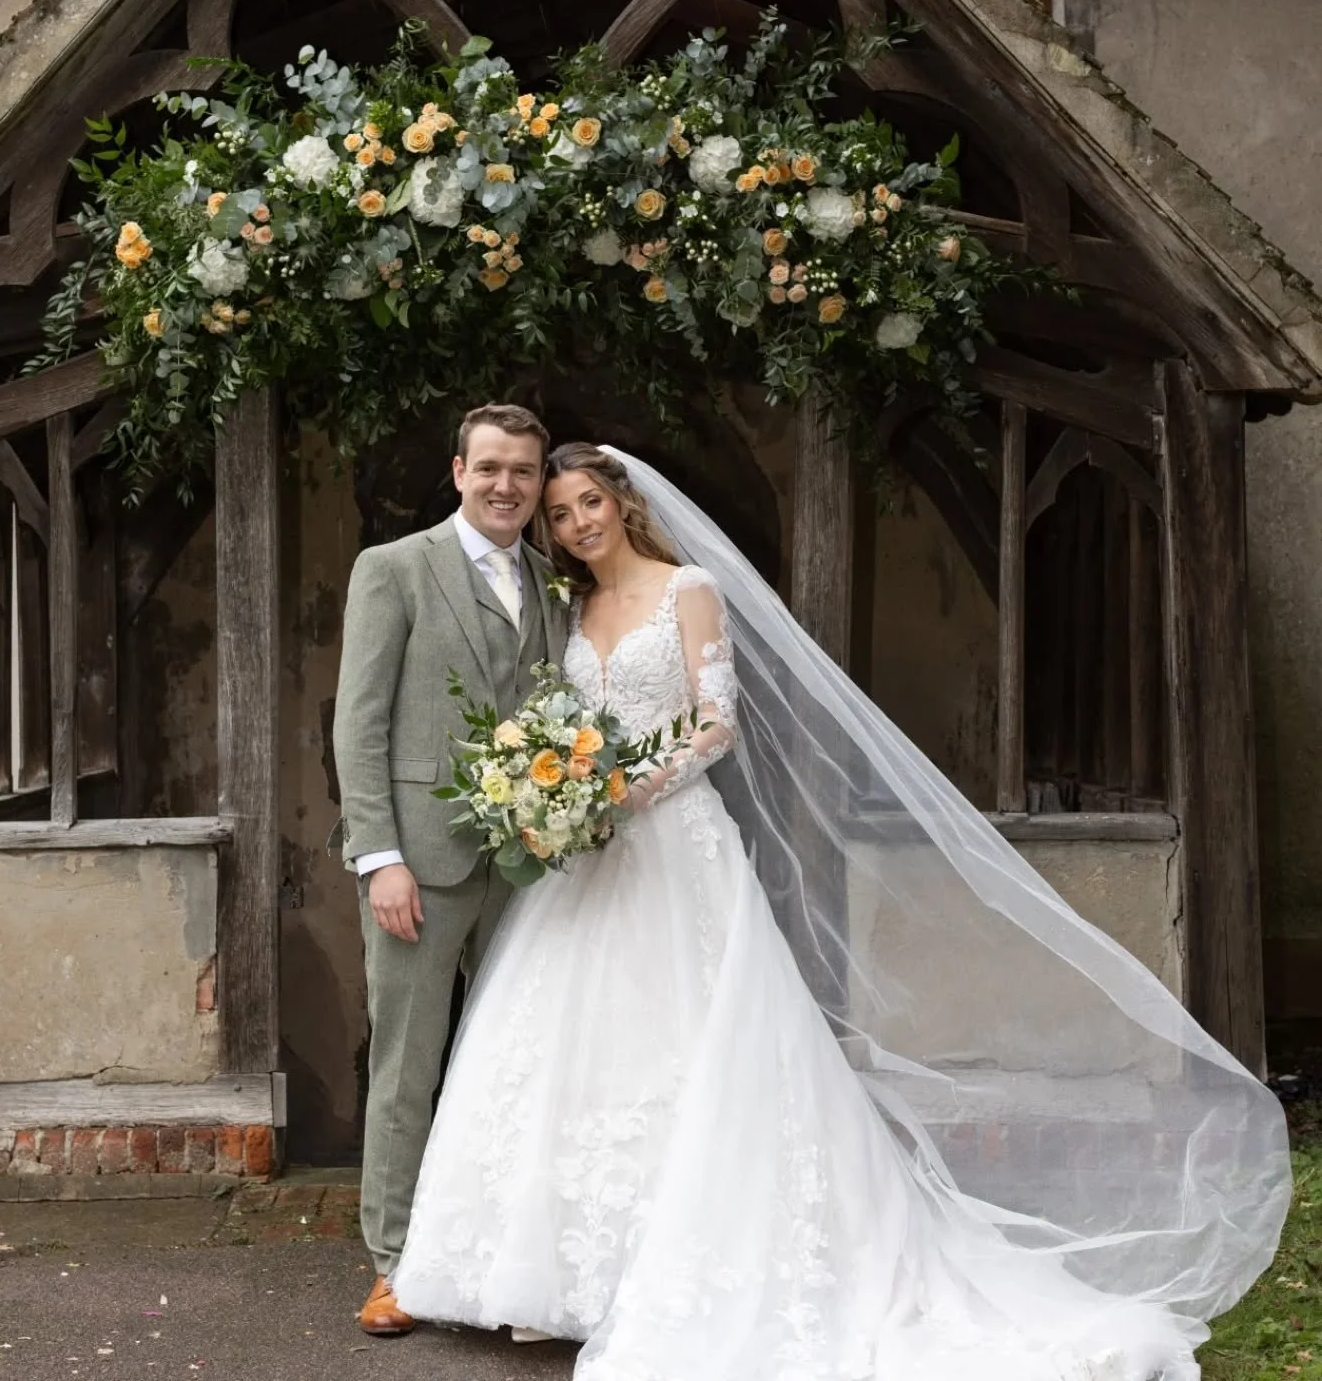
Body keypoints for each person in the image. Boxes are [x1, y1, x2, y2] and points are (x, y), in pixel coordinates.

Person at [388, 441, 1290, 1380]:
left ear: (620, 500)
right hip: (592, 861)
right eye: (560, 516)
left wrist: (630, 788)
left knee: (693, 1041)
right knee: (571, 1046)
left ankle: (674, 1264)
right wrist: (567, 798)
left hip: (674, 846)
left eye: (587, 504)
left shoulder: (686, 586)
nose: (576, 525)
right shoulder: (568, 607)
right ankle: (559, 1277)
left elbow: (715, 720)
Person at [332, 404, 570, 1336]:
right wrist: (379, 857)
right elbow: (359, 722)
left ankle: (499, 1260)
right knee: (408, 1066)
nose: (507, 485)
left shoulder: (552, 585)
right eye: (491, 468)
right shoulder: (393, 569)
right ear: (458, 471)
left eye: (523, 471)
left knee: (512, 1064)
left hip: (526, 870)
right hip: (418, 868)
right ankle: (394, 1264)